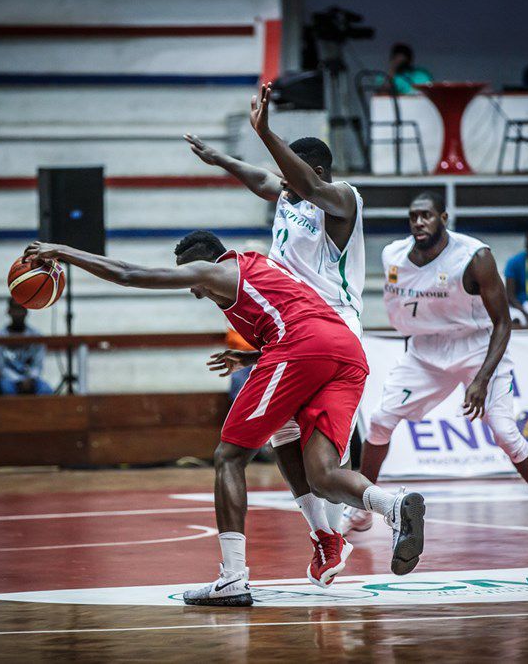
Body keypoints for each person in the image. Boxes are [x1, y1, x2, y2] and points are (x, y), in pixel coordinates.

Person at [23, 232, 426, 607]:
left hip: (303, 348)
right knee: (317, 468)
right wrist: (251, 357)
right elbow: (298, 318)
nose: (194, 291)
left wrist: (64, 252)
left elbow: (131, 274)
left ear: (200, 265)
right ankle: (390, 508)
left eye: (190, 280)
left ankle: (233, 577)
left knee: (229, 455)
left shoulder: (214, 270)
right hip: (345, 352)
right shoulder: (259, 267)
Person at [185, 82, 365, 574]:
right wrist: (220, 158)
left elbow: (298, 183)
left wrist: (264, 131)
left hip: (333, 324)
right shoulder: (289, 198)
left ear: (316, 173)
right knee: (282, 435)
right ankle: (326, 534)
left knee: (318, 444)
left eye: (290, 177)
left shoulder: (342, 200)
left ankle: (356, 498)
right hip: (289, 329)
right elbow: (265, 181)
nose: (279, 186)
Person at [343, 193, 528, 545]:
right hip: (427, 349)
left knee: (505, 433)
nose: (419, 222)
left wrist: (481, 379)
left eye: (427, 215)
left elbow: (503, 323)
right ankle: (362, 510)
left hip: (477, 344)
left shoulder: (474, 257)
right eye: (413, 216)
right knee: (379, 420)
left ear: (444, 217)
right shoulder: (394, 254)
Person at [0, 299, 52, 396]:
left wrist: (30, 379)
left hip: (31, 379)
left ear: (26, 311)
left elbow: (38, 364)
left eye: (21, 309)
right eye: (15, 309)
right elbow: (1, 365)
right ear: (9, 311)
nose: (18, 313)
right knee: (7, 389)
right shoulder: (0, 335)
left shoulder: (36, 335)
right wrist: (18, 380)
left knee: (46, 390)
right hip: (9, 379)